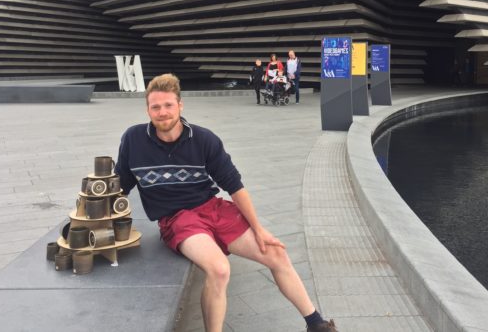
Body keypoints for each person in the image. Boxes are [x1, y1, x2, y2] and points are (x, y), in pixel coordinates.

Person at [114, 73, 337, 332]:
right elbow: (121, 184)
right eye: (156, 107)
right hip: (177, 218)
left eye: (168, 105)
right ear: (147, 109)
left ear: (180, 105)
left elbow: (234, 186)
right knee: (219, 269)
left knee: (276, 253)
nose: (163, 112)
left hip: (212, 208)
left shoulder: (204, 139)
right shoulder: (133, 139)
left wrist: (259, 229)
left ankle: (316, 324)